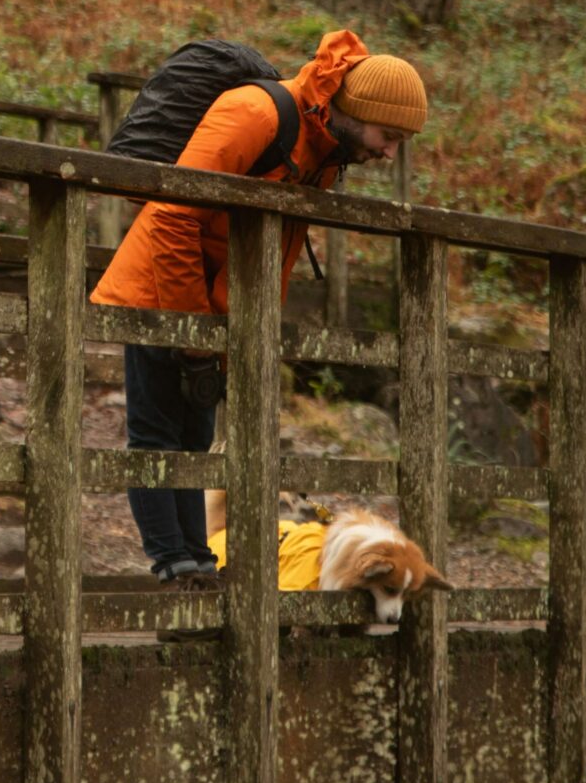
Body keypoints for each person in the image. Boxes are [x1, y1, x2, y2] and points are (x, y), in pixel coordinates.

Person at [88, 31, 428, 585]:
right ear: (352, 110)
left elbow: (275, 248)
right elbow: (173, 212)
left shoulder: (322, 149)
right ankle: (174, 566)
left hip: (221, 312)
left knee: (196, 439)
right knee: (154, 436)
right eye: (387, 135)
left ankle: (200, 559)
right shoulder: (256, 113)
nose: (389, 152)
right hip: (162, 290)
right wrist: (193, 332)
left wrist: (237, 332)